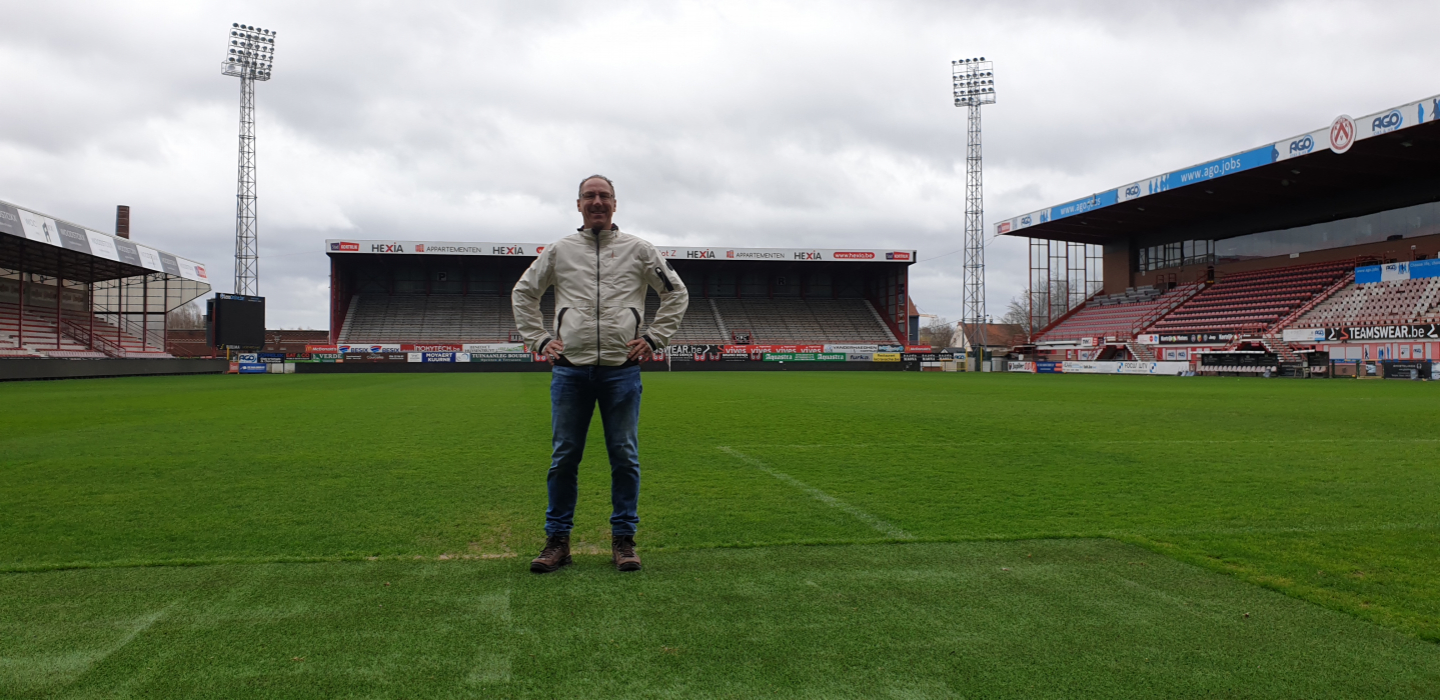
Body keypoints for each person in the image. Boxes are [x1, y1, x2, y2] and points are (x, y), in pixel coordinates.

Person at [512, 174, 689, 573]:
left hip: (621, 371)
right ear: (578, 205)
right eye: (589, 196)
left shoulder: (639, 250)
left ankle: (624, 541)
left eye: (603, 196)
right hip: (570, 371)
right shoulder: (560, 251)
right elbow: (524, 292)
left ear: (615, 203)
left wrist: (656, 337)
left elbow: (676, 292)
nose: (596, 202)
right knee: (563, 459)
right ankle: (557, 541)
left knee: (624, 457)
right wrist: (539, 339)